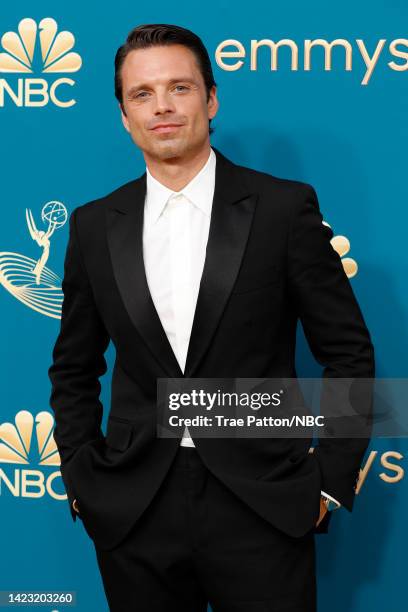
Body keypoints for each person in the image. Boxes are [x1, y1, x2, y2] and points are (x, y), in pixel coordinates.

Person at [48, 23, 375, 612]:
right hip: (135, 505)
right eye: (141, 94)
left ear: (211, 98)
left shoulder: (282, 208)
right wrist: (81, 478)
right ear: (124, 114)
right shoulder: (94, 225)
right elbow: (73, 367)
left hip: (263, 501)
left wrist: (328, 480)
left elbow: (348, 352)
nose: (162, 107)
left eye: (180, 87)